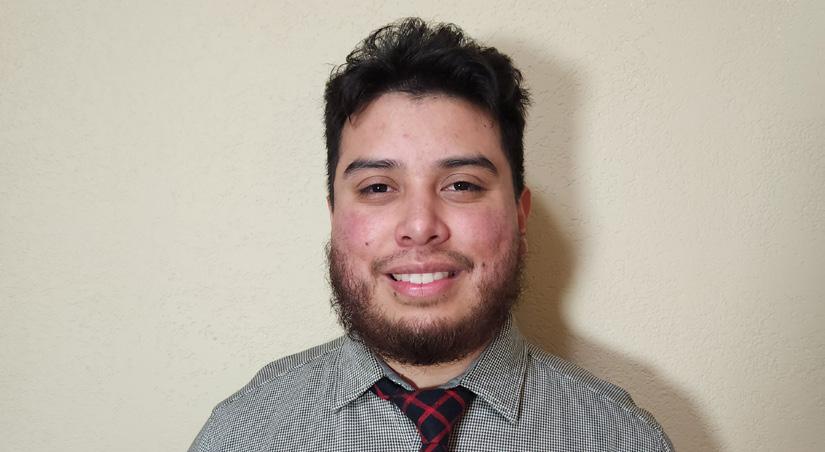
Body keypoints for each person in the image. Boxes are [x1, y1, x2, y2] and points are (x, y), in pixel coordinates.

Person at [189, 17, 673, 452]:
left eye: (462, 185)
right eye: (378, 187)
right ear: (334, 215)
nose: (420, 227)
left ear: (520, 215)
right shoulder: (241, 434)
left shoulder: (623, 439)